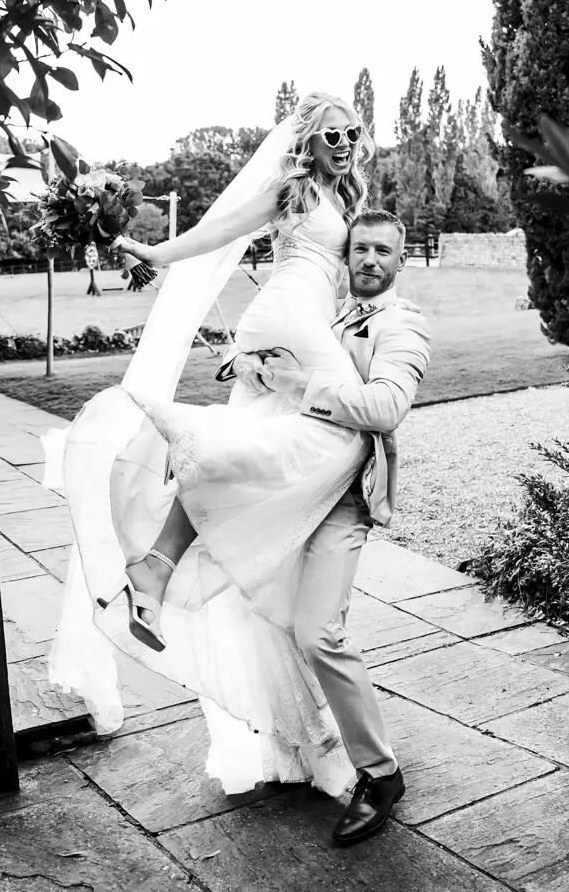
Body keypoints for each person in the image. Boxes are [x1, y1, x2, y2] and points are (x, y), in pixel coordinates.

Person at [44, 92, 379, 797]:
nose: (345, 141)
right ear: (306, 142)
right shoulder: (291, 192)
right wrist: (155, 251)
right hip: (285, 328)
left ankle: (158, 567)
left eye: (353, 131)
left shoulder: (346, 196)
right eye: (331, 134)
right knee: (347, 444)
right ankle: (172, 558)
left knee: (234, 463)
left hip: (297, 332)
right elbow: (217, 230)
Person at [236, 208, 431, 844]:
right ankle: (308, 745)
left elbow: (385, 406)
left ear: (401, 260)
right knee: (268, 613)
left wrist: (302, 384)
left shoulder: (404, 324)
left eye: (383, 251)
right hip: (294, 487)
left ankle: (380, 774)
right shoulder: (331, 317)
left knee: (321, 633)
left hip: (343, 499)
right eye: (360, 250)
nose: (370, 260)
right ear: (344, 259)